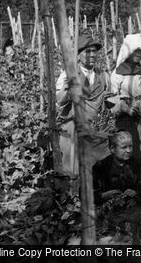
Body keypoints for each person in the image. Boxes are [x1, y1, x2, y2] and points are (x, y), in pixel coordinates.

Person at [55, 35, 111, 177]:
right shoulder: (67, 75)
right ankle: (73, 196)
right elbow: (59, 102)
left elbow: (109, 102)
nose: (92, 55)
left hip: (95, 130)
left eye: (94, 51)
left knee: (99, 169)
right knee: (72, 170)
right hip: (74, 129)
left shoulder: (103, 76)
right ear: (78, 55)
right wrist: (67, 89)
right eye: (87, 51)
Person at [92, 131, 141, 243]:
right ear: (112, 148)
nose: (129, 150)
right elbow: (87, 193)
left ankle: (127, 234)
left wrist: (136, 193)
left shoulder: (139, 165)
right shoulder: (100, 167)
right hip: (109, 208)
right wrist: (104, 195)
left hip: (134, 208)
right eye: (124, 147)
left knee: (136, 217)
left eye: (131, 146)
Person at [109, 34, 141, 161]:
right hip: (126, 118)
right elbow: (112, 100)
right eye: (136, 51)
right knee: (127, 150)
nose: (139, 54)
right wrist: (126, 107)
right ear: (129, 52)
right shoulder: (118, 73)